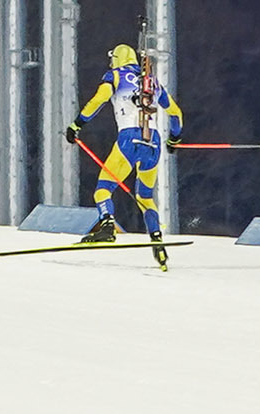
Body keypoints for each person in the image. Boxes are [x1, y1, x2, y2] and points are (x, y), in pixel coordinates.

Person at [71, 45, 181, 267]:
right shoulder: (152, 81)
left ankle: (107, 226)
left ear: (117, 59)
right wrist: (174, 140)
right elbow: (176, 113)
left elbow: (99, 99)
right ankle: (157, 242)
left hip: (128, 139)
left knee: (103, 189)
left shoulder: (115, 75)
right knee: (145, 197)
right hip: (154, 142)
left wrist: (77, 124)